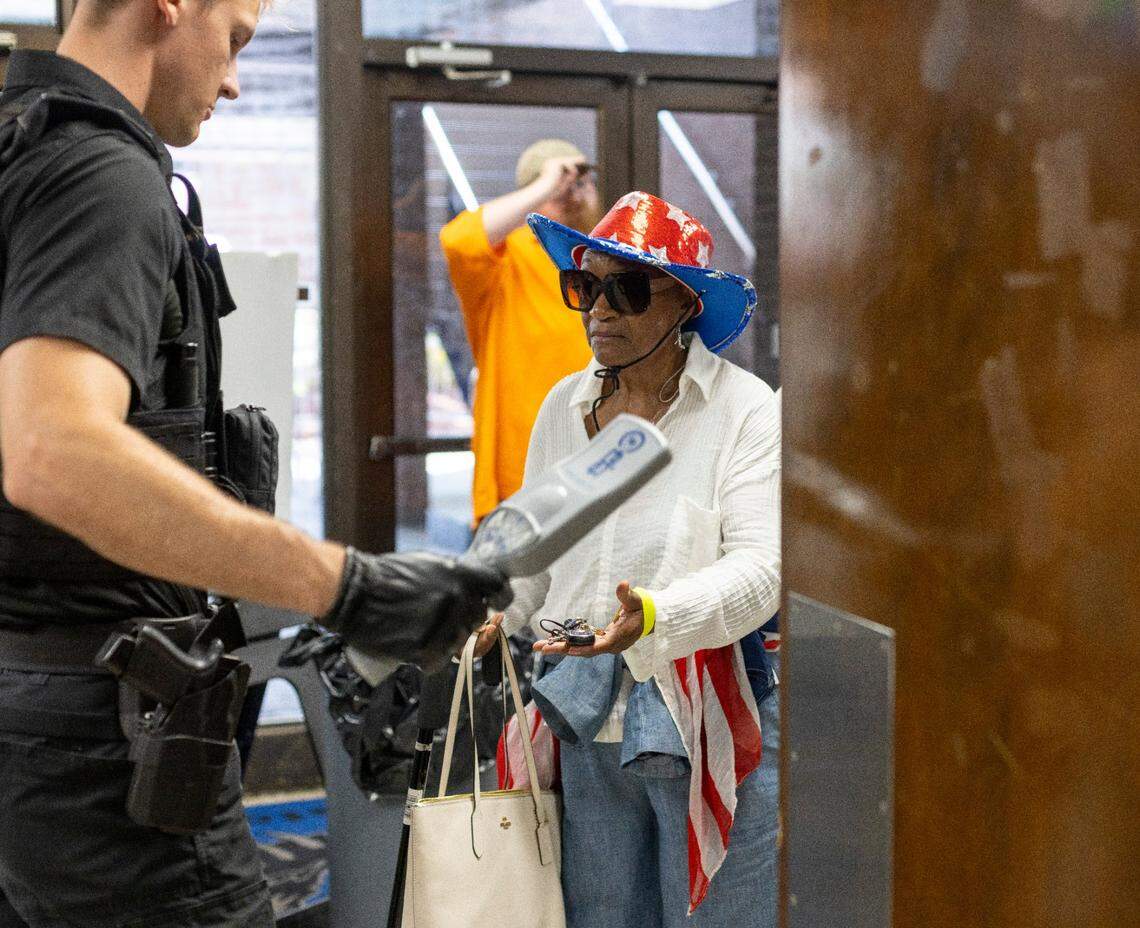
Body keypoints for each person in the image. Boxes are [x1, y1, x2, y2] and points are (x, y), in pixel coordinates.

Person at [0, 2, 508, 926]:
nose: (234, 78)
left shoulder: (17, 153)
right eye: (233, 37)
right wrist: (348, 584)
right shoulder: (100, 174)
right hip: (101, 743)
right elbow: (51, 450)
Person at [479, 191, 781, 927]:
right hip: (580, 707)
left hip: (706, 705)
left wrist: (653, 616)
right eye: (586, 287)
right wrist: (480, 605)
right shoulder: (563, 406)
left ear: (683, 304)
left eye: (628, 289)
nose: (599, 312)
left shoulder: (745, 408)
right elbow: (533, 553)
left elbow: (763, 571)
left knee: (716, 917)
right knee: (601, 915)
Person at [439, 139, 598, 525]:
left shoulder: (605, 257)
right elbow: (457, 241)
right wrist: (545, 185)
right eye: (563, 187)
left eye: (582, 184)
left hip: (599, 461)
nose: (574, 195)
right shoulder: (507, 257)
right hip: (526, 469)